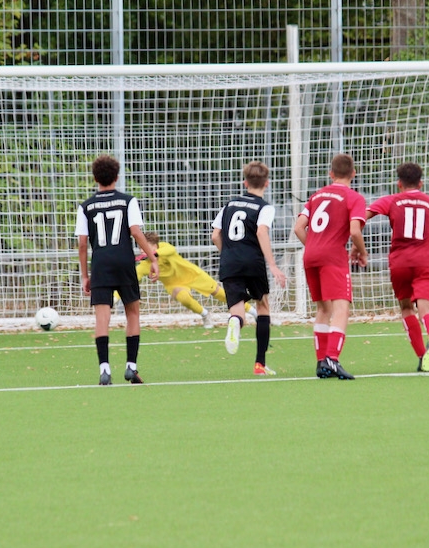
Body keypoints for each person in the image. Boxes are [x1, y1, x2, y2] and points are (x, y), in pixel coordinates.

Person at [76, 155, 160, 386]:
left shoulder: (86, 207)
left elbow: (82, 244)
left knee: (102, 318)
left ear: (95, 178)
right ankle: (131, 366)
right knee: (132, 313)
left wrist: (85, 275)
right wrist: (152, 258)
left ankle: (104, 369)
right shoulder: (127, 201)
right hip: (124, 262)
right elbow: (136, 232)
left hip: (101, 264)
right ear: (117, 176)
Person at [365, 162, 429, 372]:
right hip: (425, 261)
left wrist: (356, 244)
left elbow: (363, 216)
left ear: (399, 183)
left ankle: (422, 356)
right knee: (426, 307)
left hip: (400, 262)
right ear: (420, 183)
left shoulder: (392, 200)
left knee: (406, 308)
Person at [293, 153, 368, 380]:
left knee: (323, 309)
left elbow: (298, 227)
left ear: (331, 174)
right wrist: (362, 252)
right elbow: (355, 231)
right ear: (353, 174)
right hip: (333, 257)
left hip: (310, 256)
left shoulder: (316, 195)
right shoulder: (354, 197)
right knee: (341, 307)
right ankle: (332, 359)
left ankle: (321, 362)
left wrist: (314, 245)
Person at [211, 160, 288, 376]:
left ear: (245, 183)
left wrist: (227, 254)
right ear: (267, 183)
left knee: (237, 311)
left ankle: (234, 322)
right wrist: (272, 264)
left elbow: (215, 235)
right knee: (262, 306)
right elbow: (262, 232)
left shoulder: (229, 205)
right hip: (253, 261)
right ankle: (259, 365)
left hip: (230, 261)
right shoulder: (264, 207)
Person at [132, 231, 256, 329]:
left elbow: (170, 250)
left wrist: (154, 254)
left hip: (193, 275)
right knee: (184, 298)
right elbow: (133, 277)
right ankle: (205, 314)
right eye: (140, 247)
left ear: (155, 245)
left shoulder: (164, 247)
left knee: (220, 294)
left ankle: (253, 312)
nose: (142, 250)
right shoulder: (144, 265)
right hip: (174, 284)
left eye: (145, 247)